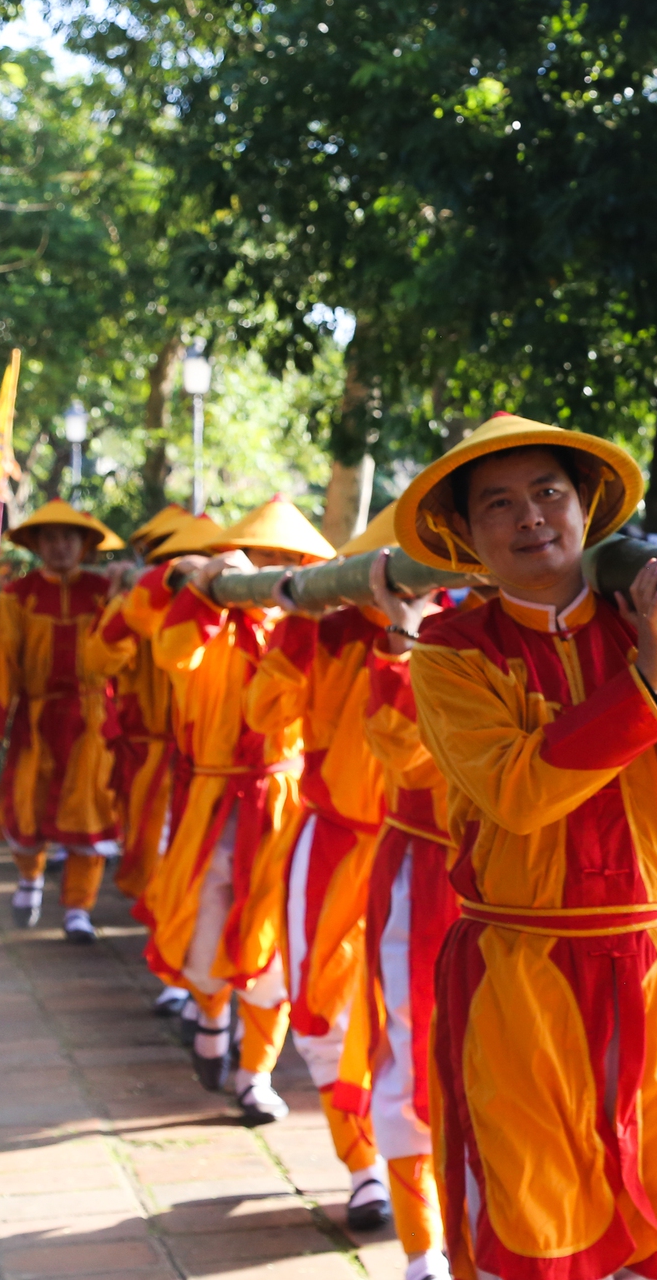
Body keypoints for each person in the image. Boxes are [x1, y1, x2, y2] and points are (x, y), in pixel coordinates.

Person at [396, 413, 657, 1280]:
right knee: (533, 1218)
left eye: (549, 493)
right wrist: (644, 684)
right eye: (500, 504)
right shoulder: (451, 653)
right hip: (522, 977)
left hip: (655, 968)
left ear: (584, 507)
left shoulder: (654, 627)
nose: (530, 518)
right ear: (466, 534)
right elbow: (518, 793)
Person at [142, 497, 332, 1114]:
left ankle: (256, 1074)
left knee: (270, 940)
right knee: (202, 924)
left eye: (287, 558)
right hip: (211, 799)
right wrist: (200, 588)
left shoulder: (314, 630)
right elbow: (171, 652)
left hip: (283, 803)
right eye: (262, 556)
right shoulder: (207, 621)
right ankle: (210, 1019)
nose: (272, 569)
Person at [235, 506, 397, 1221]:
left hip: (431, 858)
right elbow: (265, 709)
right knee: (323, 1011)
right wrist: (297, 624)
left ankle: (424, 1177)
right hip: (331, 844)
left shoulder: (472, 632)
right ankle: (364, 1166)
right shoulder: (326, 631)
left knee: (424, 1018)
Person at [336, 544, 465, 1280]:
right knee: (412, 1052)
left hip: (545, 901)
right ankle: (422, 1249)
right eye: (497, 503)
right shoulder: (421, 634)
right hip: (423, 871)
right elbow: (406, 756)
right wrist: (403, 638)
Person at [0, 501, 126, 942]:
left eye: (69, 539)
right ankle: (29, 877)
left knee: (88, 809)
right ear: (37, 545)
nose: (60, 547)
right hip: (35, 718)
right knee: (25, 803)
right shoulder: (17, 596)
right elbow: (2, 664)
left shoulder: (105, 591)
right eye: (51, 539)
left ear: (84, 545)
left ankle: (79, 908)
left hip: (94, 719)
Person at [99, 512, 228, 1019]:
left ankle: (204, 991)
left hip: (226, 776)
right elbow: (99, 657)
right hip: (162, 762)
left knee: (219, 880)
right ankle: (176, 976)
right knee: (165, 865)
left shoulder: (243, 610)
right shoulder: (147, 607)